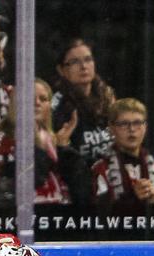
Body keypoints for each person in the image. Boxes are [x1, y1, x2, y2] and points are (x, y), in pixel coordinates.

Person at [0, 77, 86, 206]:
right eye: (30, 97)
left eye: (43, 99)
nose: (37, 103)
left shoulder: (51, 138)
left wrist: (63, 146)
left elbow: (74, 183)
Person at [90, 97, 154, 216]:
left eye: (137, 123)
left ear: (145, 127)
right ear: (111, 129)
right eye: (123, 124)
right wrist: (132, 197)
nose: (131, 129)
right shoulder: (100, 170)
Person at [50, 38, 114, 166]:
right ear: (61, 70)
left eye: (88, 59)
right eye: (75, 62)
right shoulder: (56, 105)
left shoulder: (107, 96)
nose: (83, 66)